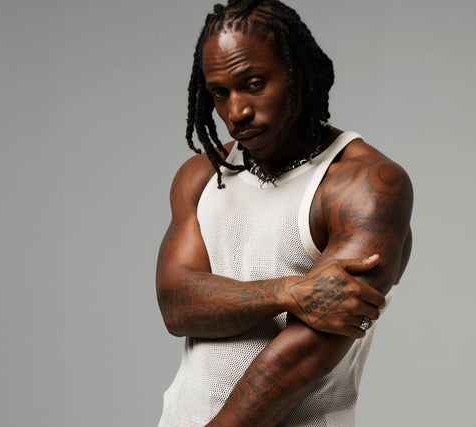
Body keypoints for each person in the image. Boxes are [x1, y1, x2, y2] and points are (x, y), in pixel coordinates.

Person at [156, 1, 413, 425]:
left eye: (254, 84)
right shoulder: (201, 176)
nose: (236, 112)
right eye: (220, 93)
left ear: (298, 75)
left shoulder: (363, 185)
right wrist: (288, 291)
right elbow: (177, 304)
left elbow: (304, 354)